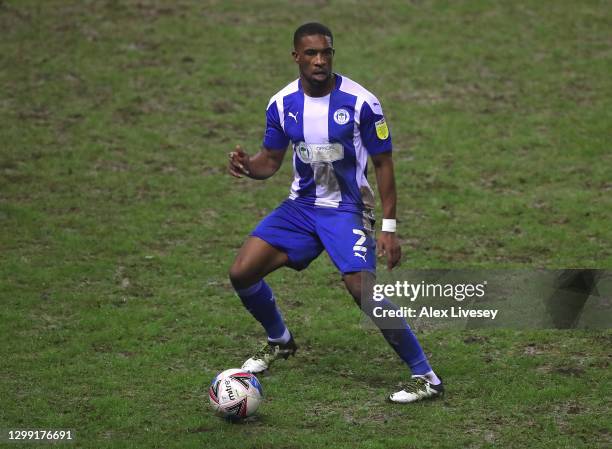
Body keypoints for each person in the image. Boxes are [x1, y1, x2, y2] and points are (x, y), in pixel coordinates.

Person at [228, 22, 443, 403]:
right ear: (296, 56)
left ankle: (426, 376)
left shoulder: (361, 102)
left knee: (363, 289)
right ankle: (280, 341)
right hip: (301, 208)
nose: (319, 60)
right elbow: (271, 161)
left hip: (347, 209)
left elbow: (384, 164)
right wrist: (249, 166)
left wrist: (389, 228)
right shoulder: (281, 104)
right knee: (242, 272)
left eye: (326, 52)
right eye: (310, 53)